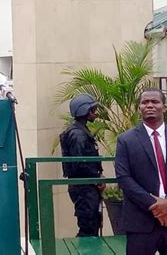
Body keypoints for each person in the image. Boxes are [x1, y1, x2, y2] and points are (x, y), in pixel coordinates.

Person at [115, 88, 167, 255]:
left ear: (164, 107)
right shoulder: (125, 141)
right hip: (140, 223)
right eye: (145, 102)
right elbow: (124, 178)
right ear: (139, 108)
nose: (149, 105)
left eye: (155, 102)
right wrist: (155, 206)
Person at [60, 93, 104, 237]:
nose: (95, 114)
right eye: (93, 110)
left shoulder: (80, 130)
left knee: (93, 224)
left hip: (86, 186)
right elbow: (79, 163)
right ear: (84, 111)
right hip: (83, 187)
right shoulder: (77, 134)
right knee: (88, 228)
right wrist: (97, 178)